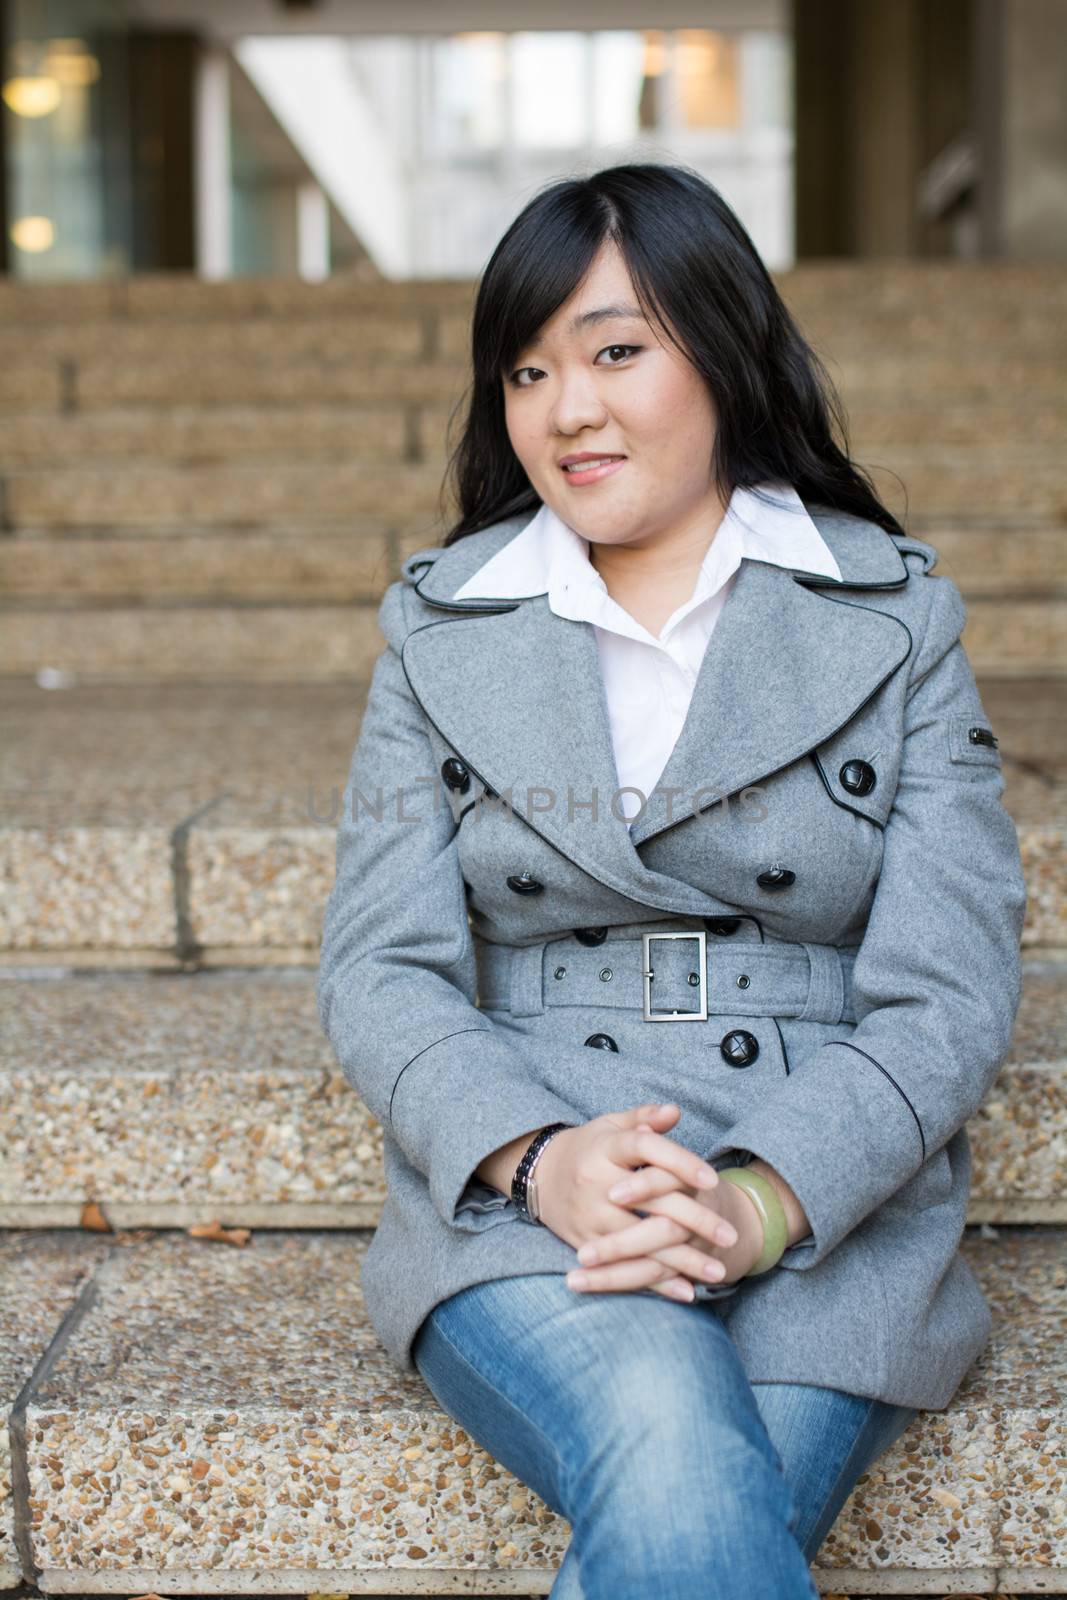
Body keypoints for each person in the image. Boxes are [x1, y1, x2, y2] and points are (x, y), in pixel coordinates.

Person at [316, 163, 1027, 1599]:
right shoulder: (445, 630)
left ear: (724, 345)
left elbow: (948, 990)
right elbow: (376, 967)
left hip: (825, 1192)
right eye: (526, 369)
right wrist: (544, 1158)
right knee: (673, 1443)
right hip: (528, 1184)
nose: (566, 409)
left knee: (689, 1499)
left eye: (616, 350)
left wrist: (761, 1198)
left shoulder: (891, 616)